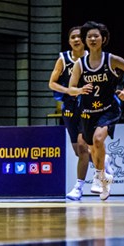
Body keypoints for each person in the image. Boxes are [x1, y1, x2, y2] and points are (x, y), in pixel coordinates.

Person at [67, 21, 124, 201]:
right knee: (92, 146)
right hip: (88, 111)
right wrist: (80, 90)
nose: (92, 38)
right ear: (85, 40)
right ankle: (104, 179)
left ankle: (99, 176)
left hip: (108, 109)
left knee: (98, 139)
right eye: (89, 36)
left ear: (103, 39)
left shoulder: (111, 59)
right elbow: (71, 88)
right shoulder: (80, 64)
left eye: (96, 36)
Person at [48, 25, 94, 201]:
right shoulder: (63, 58)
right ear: (69, 41)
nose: (76, 40)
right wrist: (69, 91)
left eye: (79, 37)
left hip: (88, 106)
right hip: (69, 105)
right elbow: (51, 83)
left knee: (83, 146)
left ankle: (78, 187)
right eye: (72, 37)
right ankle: (103, 160)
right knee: (78, 151)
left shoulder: (92, 59)